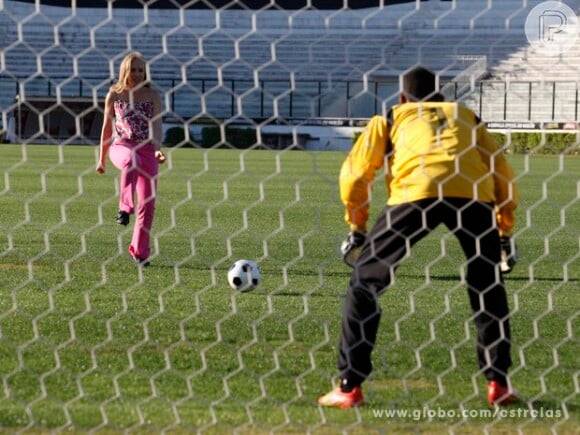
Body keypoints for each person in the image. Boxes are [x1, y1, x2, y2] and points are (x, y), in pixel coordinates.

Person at [318, 66, 520, 408]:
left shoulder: (390, 117)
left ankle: (349, 387)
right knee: (487, 284)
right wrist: (504, 228)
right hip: (472, 194)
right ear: (442, 96)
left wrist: (357, 226)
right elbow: (502, 171)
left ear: (401, 97)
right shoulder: (466, 115)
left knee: (365, 284)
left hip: (416, 191)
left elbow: (354, 176)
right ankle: (498, 384)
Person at [96, 52, 166, 267]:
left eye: (140, 70)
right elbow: (107, 128)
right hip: (122, 146)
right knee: (130, 161)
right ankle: (125, 208)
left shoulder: (153, 95)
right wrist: (102, 159)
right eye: (133, 69)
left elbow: (156, 125)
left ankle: (140, 252)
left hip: (147, 151)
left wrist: (157, 149)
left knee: (148, 203)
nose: (137, 73)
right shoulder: (114, 95)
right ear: (125, 70)